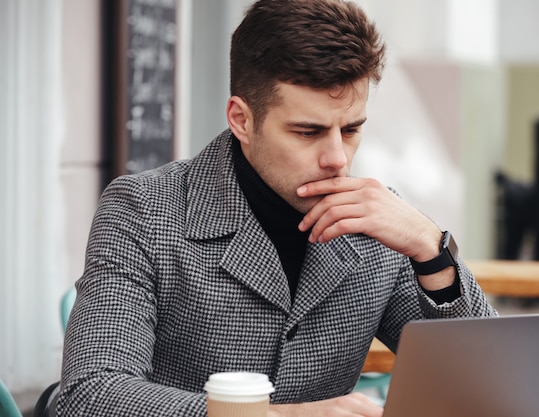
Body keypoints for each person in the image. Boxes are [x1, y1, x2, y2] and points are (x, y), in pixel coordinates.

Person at [57, 0, 497, 415]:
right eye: (308, 132)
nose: (337, 158)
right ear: (241, 120)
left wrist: (431, 248)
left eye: (351, 129)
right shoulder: (143, 210)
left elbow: (487, 385)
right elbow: (90, 395)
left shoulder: (379, 226)